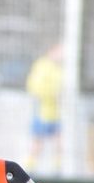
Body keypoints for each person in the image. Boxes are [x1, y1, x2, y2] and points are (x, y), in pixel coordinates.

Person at [24, 43, 64, 171]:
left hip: (55, 112)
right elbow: (34, 86)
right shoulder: (42, 65)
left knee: (58, 141)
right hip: (42, 110)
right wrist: (51, 93)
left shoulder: (59, 68)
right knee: (38, 141)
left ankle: (57, 167)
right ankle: (30, 167)